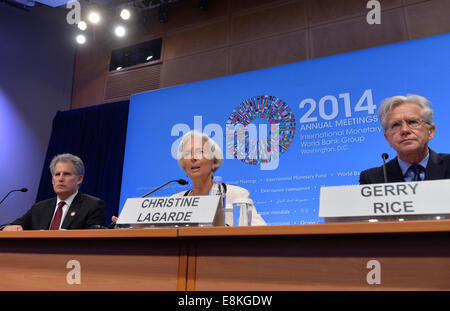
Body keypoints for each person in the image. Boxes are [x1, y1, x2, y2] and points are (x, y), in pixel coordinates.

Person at [173, 130, 266, 226]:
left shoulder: (237, 195)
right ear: (184, 165)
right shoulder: (175, 201)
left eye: (200, 152)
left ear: (214, 162)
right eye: (187, 154)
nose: (193, 158)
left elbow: (261, 232)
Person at [1, 153, 106, 231]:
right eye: (57, 174)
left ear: (79, 179)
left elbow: (94, 240)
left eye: (66, 174)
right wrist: (6, 228)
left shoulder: (92, 205)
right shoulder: (39, 208)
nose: (60, 179)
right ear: (52, 180)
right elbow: (9, 227)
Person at [359, 94, 450, 184]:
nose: (404, 130)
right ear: (388, 139)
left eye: (412, 122)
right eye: (396, 125)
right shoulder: (372, 179)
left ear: (430, 131)